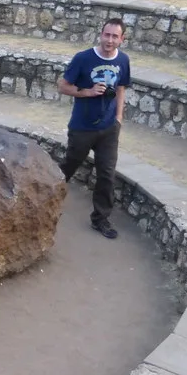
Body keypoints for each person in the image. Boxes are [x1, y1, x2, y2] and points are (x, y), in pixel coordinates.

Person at [57, 18, 131, 240]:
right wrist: (86, 92)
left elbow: (120, 88)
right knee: (69, 166)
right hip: (82, 127)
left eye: (114, 36)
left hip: (109, 129)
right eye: (106, 35)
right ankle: (46, 198)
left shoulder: (123, 61)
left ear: (122, 39)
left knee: (107, 174)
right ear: (101, 34)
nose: (109, 40)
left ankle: (100, 218)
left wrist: (118, 117)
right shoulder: (83, 58)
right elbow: (62, 86)